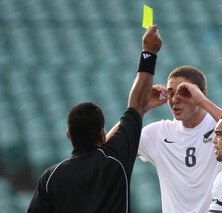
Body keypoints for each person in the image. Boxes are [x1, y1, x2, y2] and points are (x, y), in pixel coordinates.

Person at [27, 25, 162, 213]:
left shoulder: (51, 177)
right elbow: (137, 104)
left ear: (69, 135)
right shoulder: (115, 160)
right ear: (102, 134)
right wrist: (149, 53)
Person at [107, 66, 222, 212]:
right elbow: (107, 150)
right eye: (171, 93)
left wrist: (202, 101)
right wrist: (140, 109)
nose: (175, 99)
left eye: (184, 93)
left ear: (202, 94)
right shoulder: (159, 133)